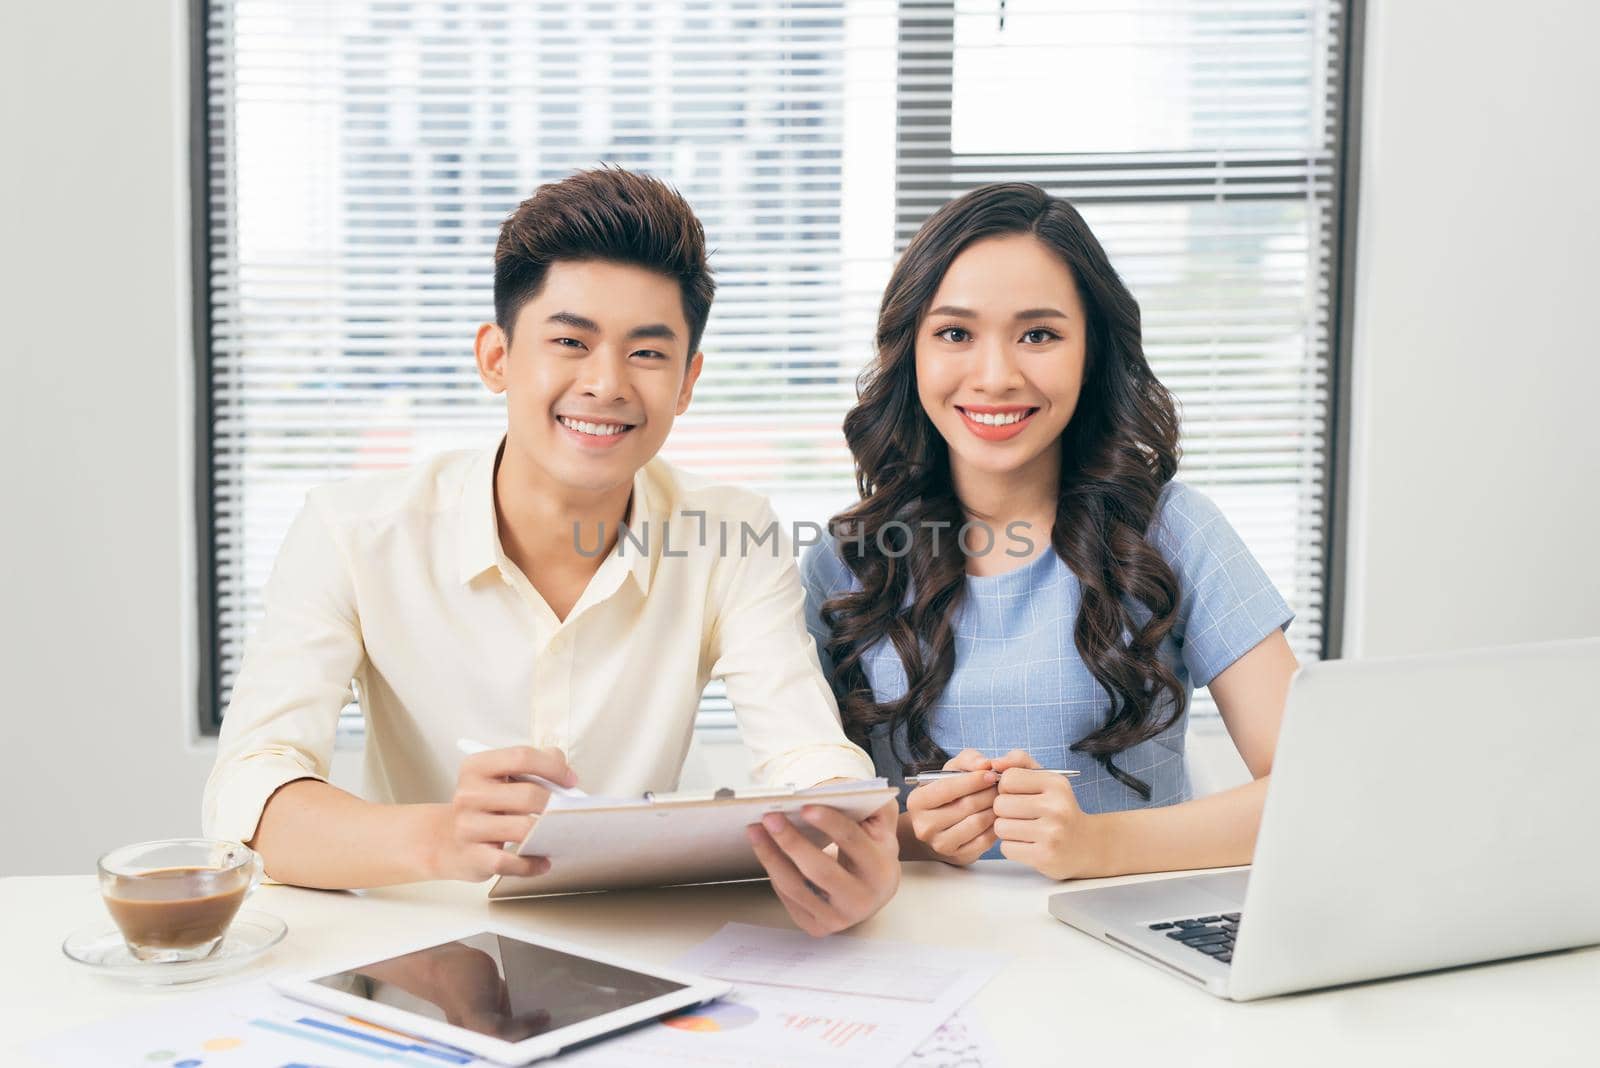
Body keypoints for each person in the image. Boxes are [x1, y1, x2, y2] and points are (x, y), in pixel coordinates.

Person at [203, 167, 899, 935]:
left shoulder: (731, 534)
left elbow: (803, 748)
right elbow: (249, 792)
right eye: (570, 342)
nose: (604, 384)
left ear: (688, 382)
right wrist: (441, 836)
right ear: (496, 356)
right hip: (421, 939)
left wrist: (848, 841)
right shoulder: (352, 532)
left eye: (647, 353)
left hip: (646, 941)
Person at [801, 182, 1299, 879]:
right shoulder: (843, 561)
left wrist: (1100, 845)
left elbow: (1310, 792)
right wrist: (917, 833)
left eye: (1039, 334)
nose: (997, 375)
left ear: (1092, 351)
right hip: (913, 952)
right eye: (955, 334)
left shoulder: (1174, 529)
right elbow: (796, 826)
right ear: (910, 351)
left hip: (1122, 951)